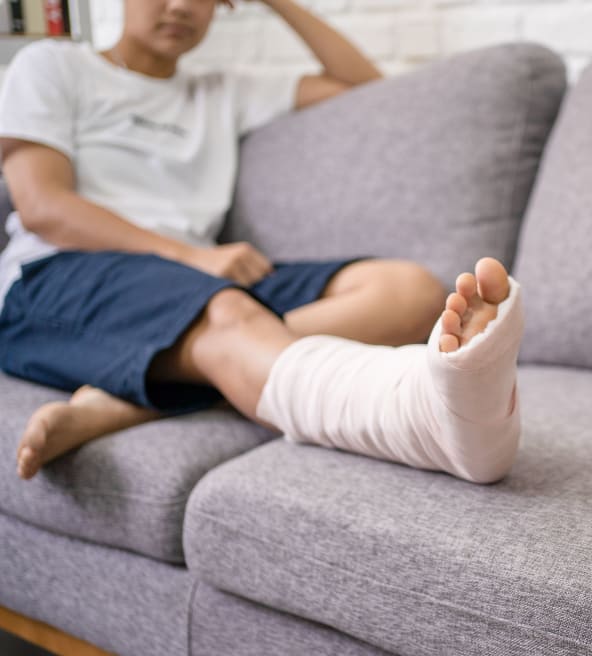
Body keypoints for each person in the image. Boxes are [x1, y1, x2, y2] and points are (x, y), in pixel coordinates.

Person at [0, 0, 524, 484]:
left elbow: (371, 91)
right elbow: (43, 206)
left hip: (193, 280)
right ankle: (436, 430)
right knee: (226, 310)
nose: (182, 6)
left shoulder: (222, 90)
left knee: (405, 290)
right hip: (58, 277)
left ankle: (137, 395)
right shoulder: (52, 64)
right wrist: (190, 255)